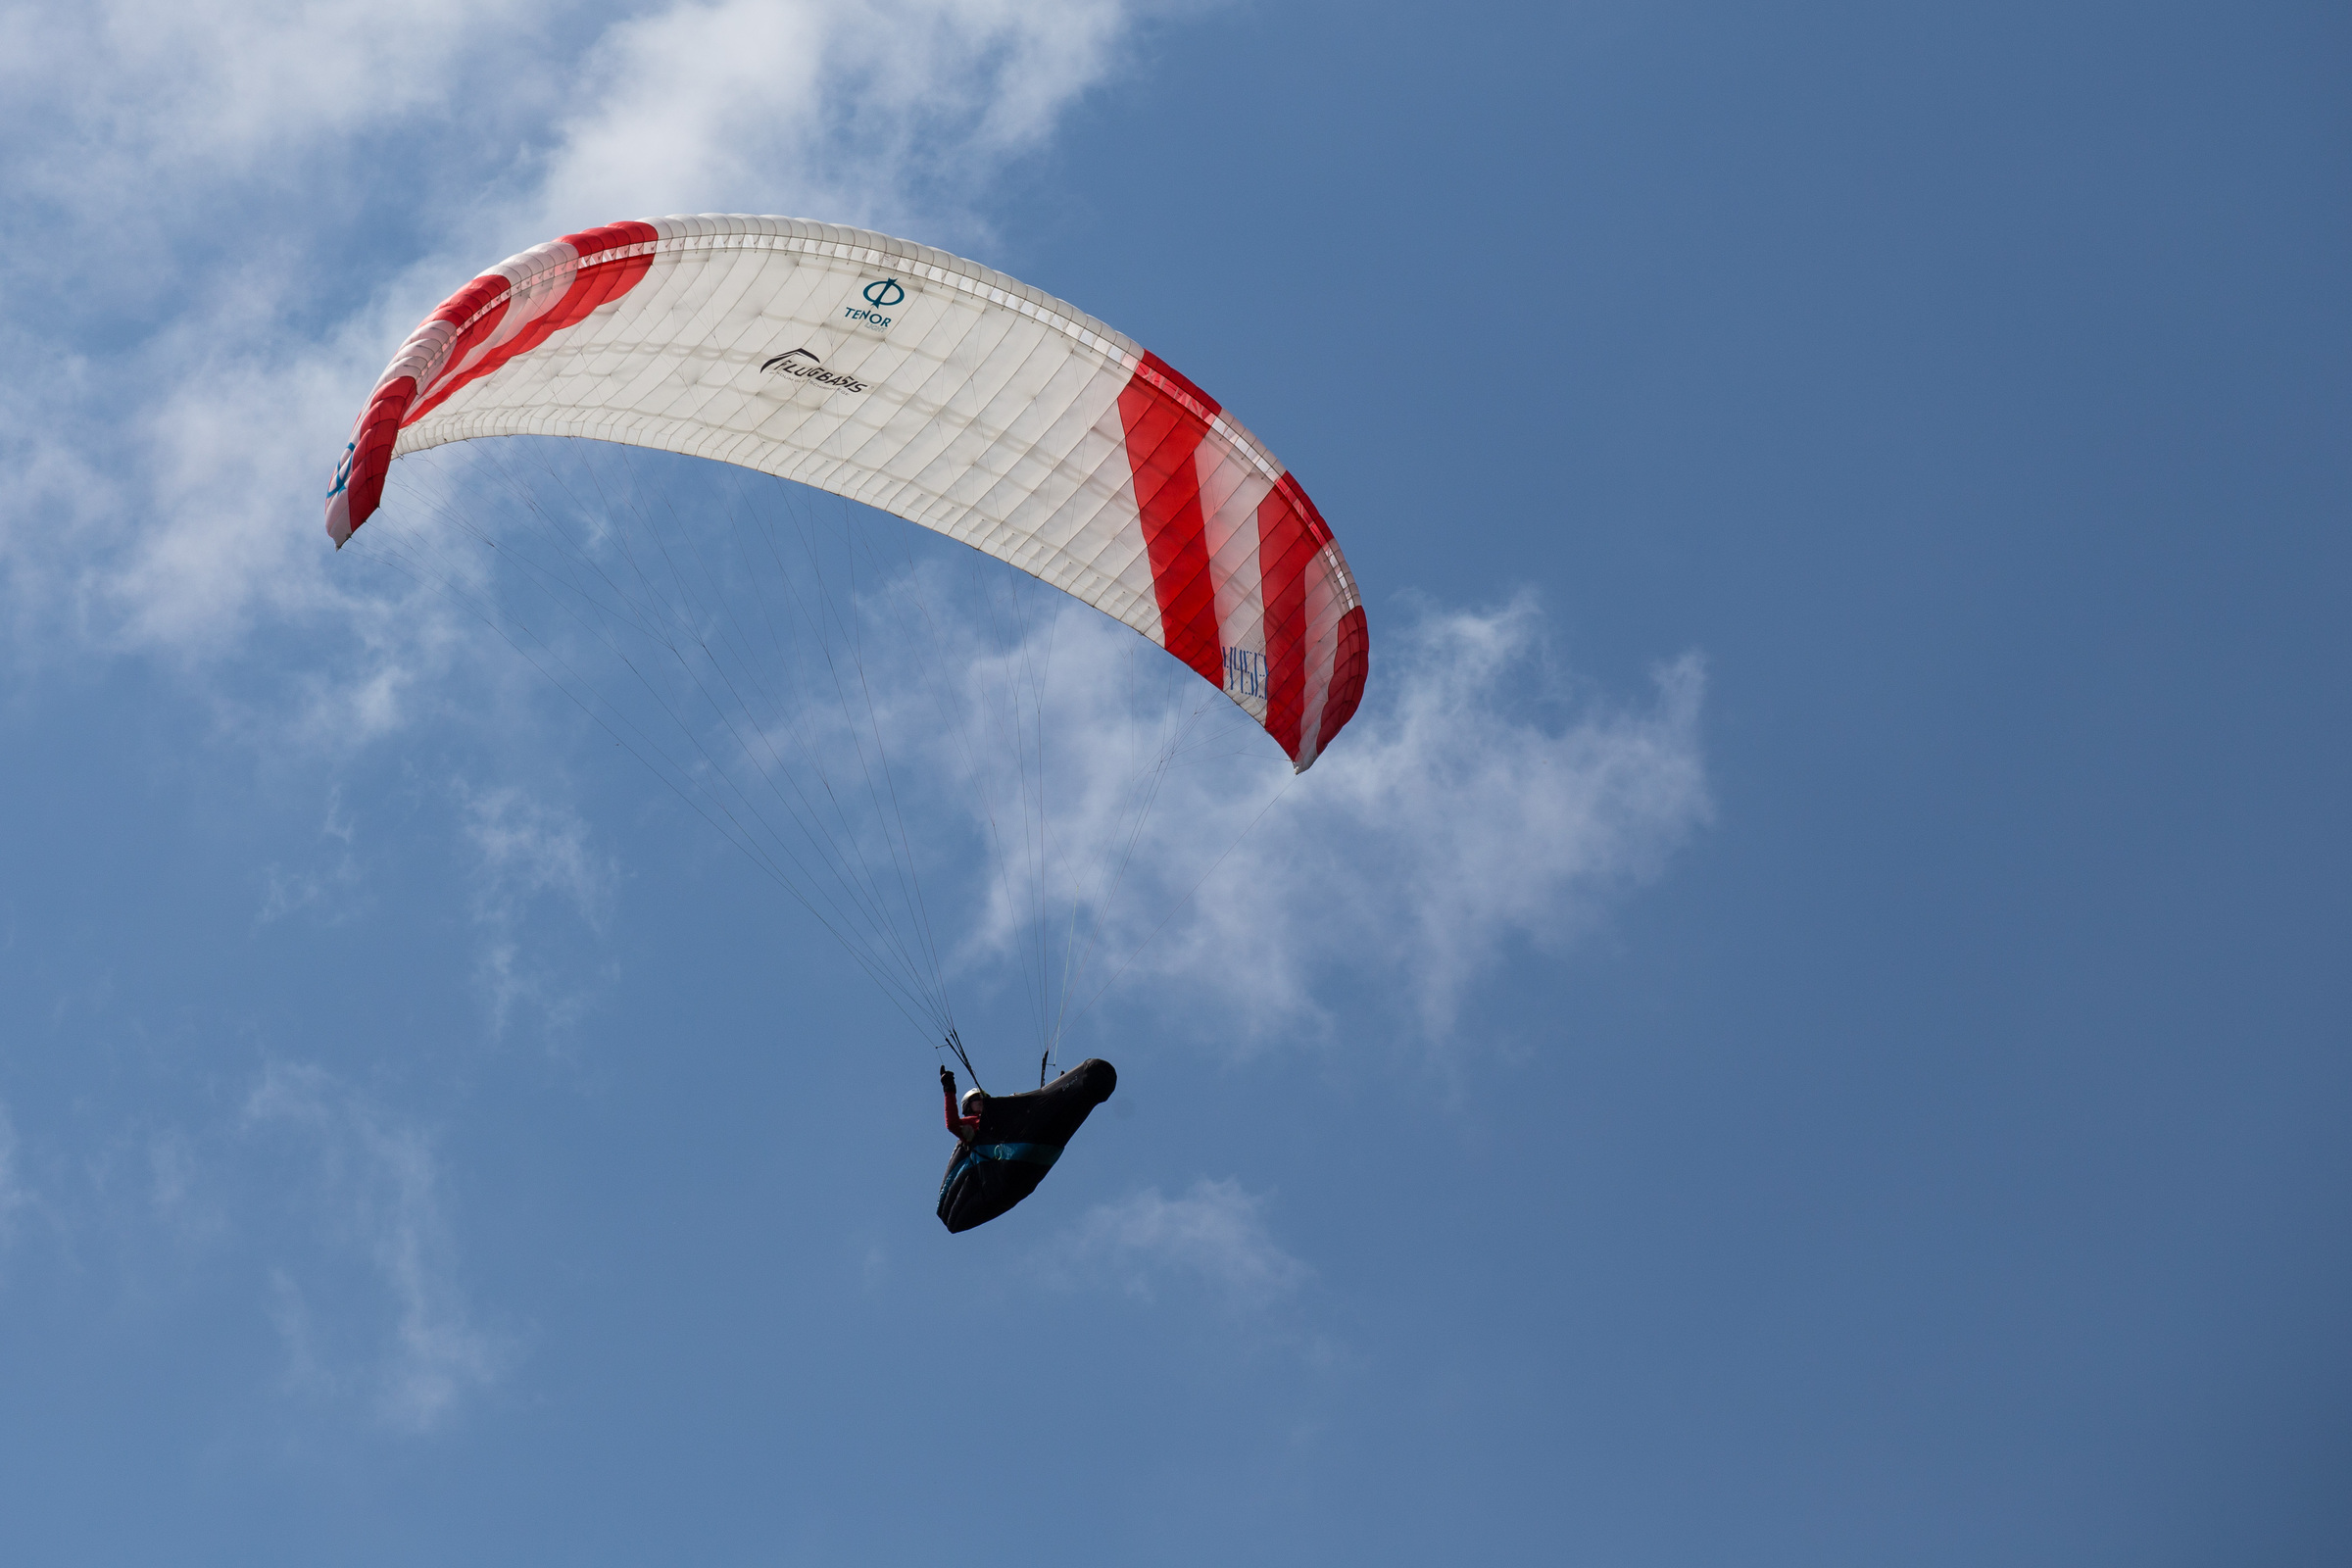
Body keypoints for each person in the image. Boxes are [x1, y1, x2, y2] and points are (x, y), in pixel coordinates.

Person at [934, 1057, 1117, 1234]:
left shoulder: (1005, 1117)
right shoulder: (972, 1127)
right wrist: (949, 1088)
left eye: (982, 1097)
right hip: (1001, 1171)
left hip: (1024, 1164)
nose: (980, 1100)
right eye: (976, 1099)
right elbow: (951, 1123)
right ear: (968, 1107)